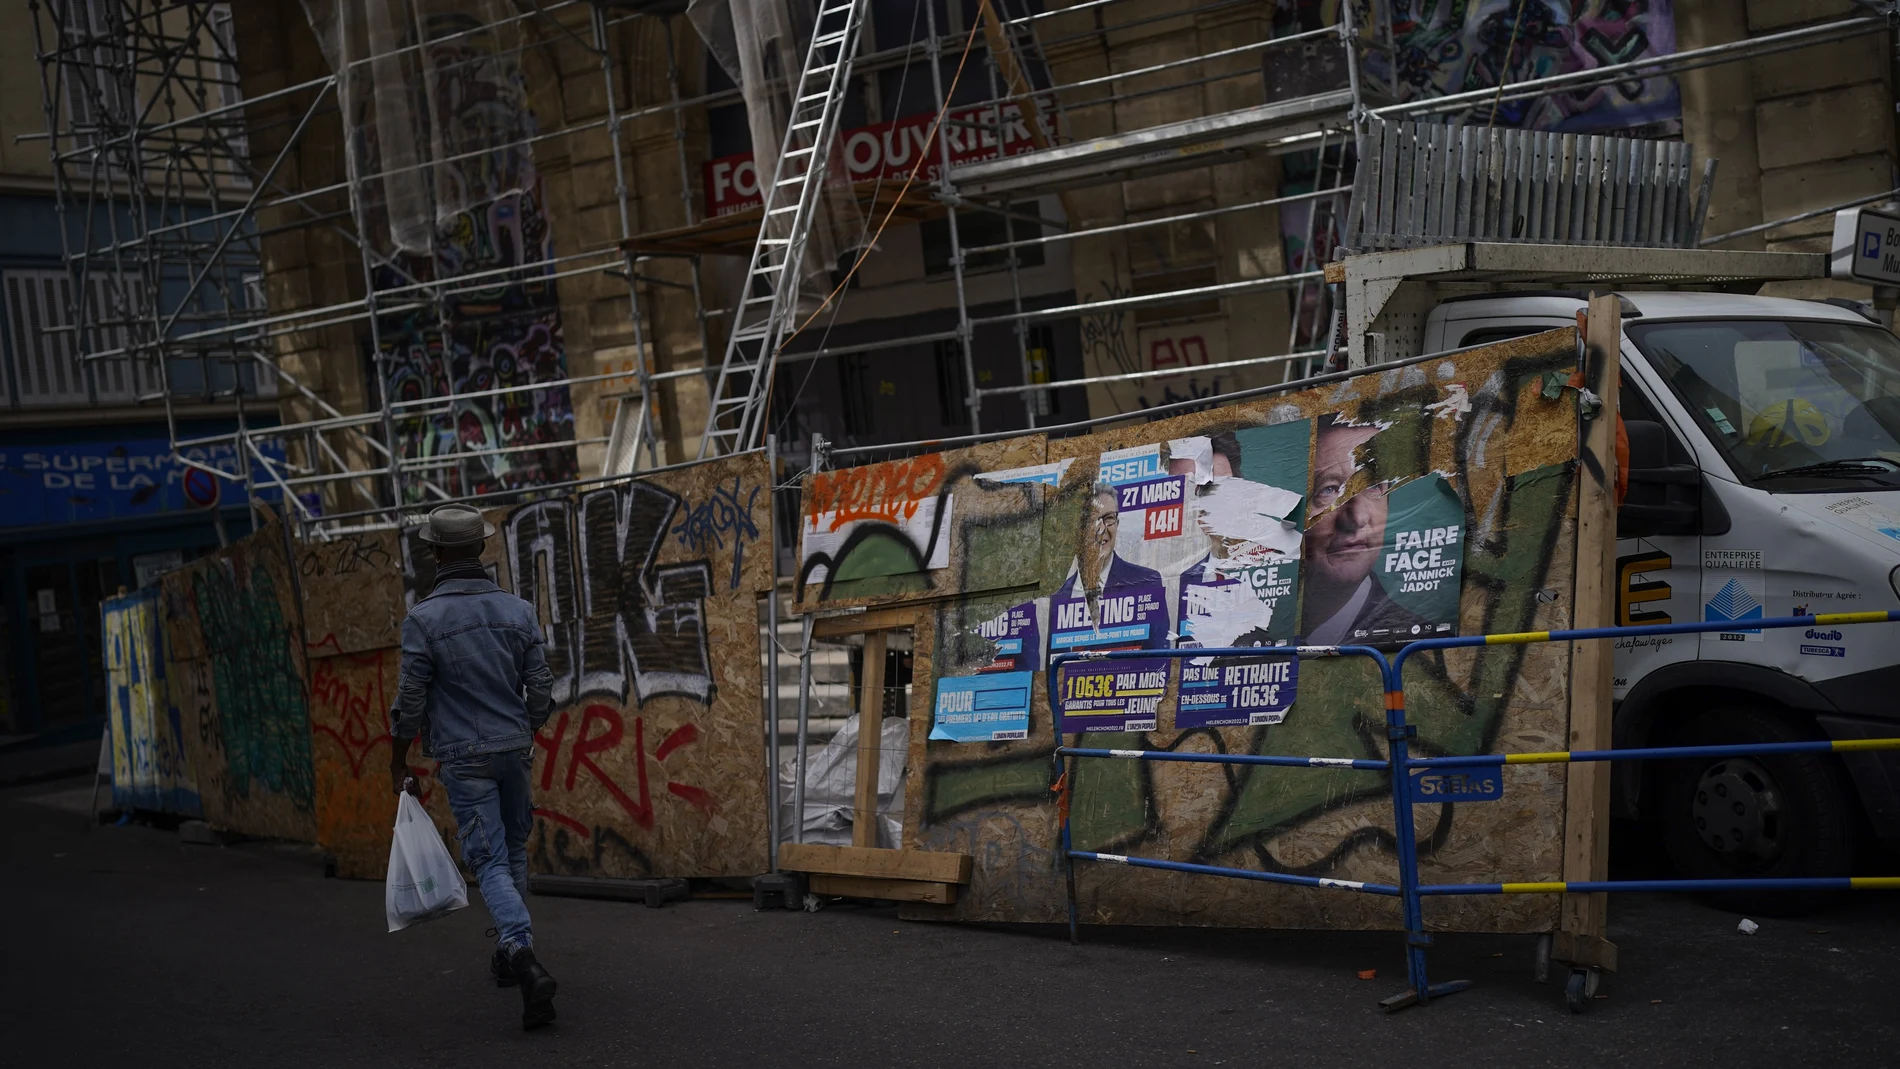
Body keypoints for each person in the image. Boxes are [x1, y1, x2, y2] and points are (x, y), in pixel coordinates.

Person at [389, 503, 559, 1030]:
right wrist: (526, 729)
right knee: (511, 851)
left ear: (435, 553)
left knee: (487, 862)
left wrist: (398, 760)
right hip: (513, 750)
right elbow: (542, 687)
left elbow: (410, 702)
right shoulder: (519, 611)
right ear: (482, 549)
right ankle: (512, 955)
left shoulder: (423, 620)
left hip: (465, 757)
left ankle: (521, 954)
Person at [1301, 418, 1431, 646]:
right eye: (1328, 490)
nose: (1358, 518)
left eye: (1372, 486)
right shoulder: (1239, 641)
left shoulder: (1423, 645)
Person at [1054, 483, 1171, 648]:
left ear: (1117, 523)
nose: (1101, 529)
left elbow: (1159, 660)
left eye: (1108, 518)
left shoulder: (1146, 583)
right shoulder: (1059, 597)